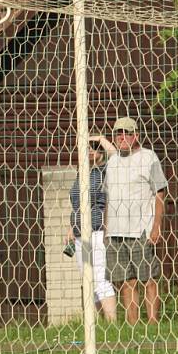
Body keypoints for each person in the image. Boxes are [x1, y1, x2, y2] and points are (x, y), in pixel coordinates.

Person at [103, 117, 168, 325]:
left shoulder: (149, 157)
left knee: (148, 278)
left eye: (127, 133)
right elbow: (108, 197)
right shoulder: (112, 162)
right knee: (126, 281)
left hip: (141, 229)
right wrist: (106, 228)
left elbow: (159, 194)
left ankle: (152, 322)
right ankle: (133, 324)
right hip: (115, 231)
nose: (122, 137)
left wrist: (156, 226)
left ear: (136, 135)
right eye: (118, 133)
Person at [66, 135, 117, 322]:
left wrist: (100, 138)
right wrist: (71, 227)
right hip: (79, 234)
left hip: (96, 230)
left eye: (93, 148)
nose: (89, 151)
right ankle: (100, 325)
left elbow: (115, 154)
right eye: (86, 148)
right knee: (88, 280)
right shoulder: (83, 172)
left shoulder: (105, 169)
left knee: (99, 278)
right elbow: (77, 203)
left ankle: (112, 323)